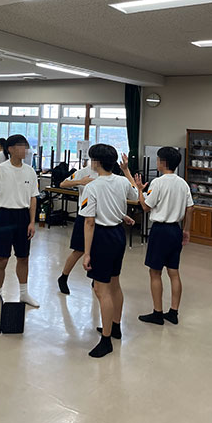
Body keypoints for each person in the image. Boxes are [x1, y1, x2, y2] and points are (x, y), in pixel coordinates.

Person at [81, 145, 138, 358]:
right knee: (114, 283)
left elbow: (89, 222)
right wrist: (126, 170)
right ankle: (115, 326)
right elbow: (134, 195)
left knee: (101, 289)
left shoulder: (93, 186)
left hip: (102, 238)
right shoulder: (122, 181)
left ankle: (106, 341)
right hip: (118, 235)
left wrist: (87, 253)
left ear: (96, 162)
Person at [134, 147, 194, 326]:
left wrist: (139, 190)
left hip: (160, 231)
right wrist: (186, 230)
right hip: (176, 230)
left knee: (155, 272)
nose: (157, 162)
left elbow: (146, 207)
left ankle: (157, 313)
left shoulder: (158, 183)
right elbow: (190, 208)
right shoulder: (183, 183)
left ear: (163, 162)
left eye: (158, 159)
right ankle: (173, 313)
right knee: (174, 272)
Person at [0, 134, 40, 312]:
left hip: (23, 217)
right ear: (11, 149)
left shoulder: (30, 171)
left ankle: (23, 293)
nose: (25, 149)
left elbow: (33, 198)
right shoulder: (0, 169)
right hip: (4, 216)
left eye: (26, 146)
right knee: (2, 259)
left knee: (23, 257)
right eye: (21, 146)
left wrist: (32, 221)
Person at [57, 158, 99, 294]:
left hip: (100, 217)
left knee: (97, 249)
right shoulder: (83, 172)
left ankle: (95, 279)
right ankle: (63, 277)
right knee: (79, 250)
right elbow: (63, 184)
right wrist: (80, 182)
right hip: (84, 215)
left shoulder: (106, 174)